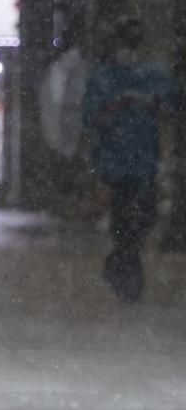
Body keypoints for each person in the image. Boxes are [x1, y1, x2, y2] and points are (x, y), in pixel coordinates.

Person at [82, 19, 171, 303]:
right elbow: (93, 118)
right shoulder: (104, 78)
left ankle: (121, 264)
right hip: (117, 163)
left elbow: (166, 111)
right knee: (126, 218)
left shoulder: (153, 77)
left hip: (143, 160)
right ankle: (127, 275)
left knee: (140, 217)